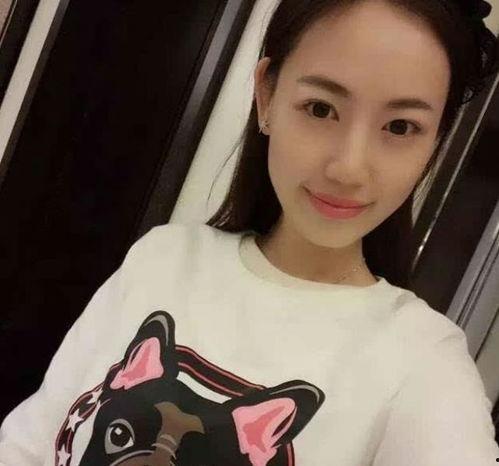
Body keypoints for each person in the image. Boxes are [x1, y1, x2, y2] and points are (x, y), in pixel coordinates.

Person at [1, 0, 499, 464]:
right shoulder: (163, 259)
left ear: (436, 140)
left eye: (400, 127)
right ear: (266, 95)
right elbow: (28, 444)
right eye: (320, 108)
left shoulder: (422, 366)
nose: (349, 167)